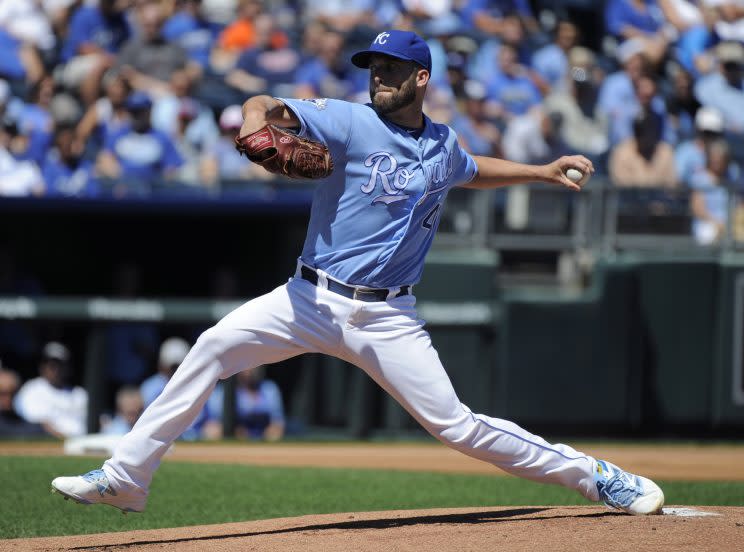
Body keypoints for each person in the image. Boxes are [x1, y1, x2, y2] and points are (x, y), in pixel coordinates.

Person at [51, 29, 664, 517]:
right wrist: (250, 118)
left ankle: (600, 478)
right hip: (306, 298)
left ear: (421, 78)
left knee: (458, 428)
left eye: (392, 68)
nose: (379, 76)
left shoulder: (443, 144)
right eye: (373, 66)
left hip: (388, 315)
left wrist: (540, 171)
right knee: (211, 348)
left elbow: (472, 169)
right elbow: (268, 105)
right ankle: (126, 479)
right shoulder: (348, 119)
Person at [14, 341, 88, 438]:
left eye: (60, 365)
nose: (56, 369)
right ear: (42, 366)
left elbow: (99, 422)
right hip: (50, 444)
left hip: (83, 444)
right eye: (51, 365)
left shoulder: (80, 393)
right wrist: (66, 441)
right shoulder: (31, 389)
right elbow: (40, 425)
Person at [202, 365, 285, 441]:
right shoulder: (220, 392)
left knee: (275, 433)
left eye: (255, 363)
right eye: (247, 363)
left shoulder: (269, 389)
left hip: (262, 439)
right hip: (233, 436)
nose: (251, 368)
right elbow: (212, 426)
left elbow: (277, 423)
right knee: (212, 431)